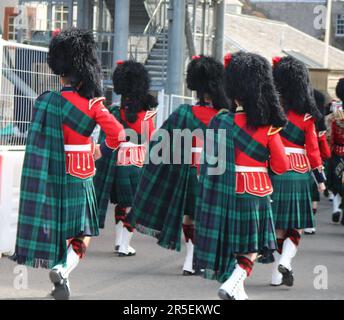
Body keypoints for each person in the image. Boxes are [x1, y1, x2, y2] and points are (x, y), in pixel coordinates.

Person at [14, 28, 125, 300]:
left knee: (61, 230)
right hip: (80, 171)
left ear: (60, 72)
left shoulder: (47, 101)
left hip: (52, 172)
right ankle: (63, 269)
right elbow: (118, 135)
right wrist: (100, 150)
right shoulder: (93, 105)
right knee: (82, 232)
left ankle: (60, 281)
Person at [195, 52, 288, 300]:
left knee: (232, 244)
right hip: (255, 191)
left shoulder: (220, 121)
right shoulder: (267, 126)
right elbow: (281, 165)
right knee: (252, 248)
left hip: (225, 191)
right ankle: (233, 282)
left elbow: (208, 163)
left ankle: (238, 291)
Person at [127, 55, 231, 276]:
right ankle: (206, 258)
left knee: (189, 217)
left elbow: (159, 142)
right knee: (210, 218)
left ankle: (190, 259)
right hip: (217, 174)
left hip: (189, 173)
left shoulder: (183, 113)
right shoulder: (225, 117)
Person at [270, 56, 326, 287]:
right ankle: (286, 261)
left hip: (275, 170)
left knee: (279, 227)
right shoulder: (306, 117)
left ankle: (276, 275)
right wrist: (321, 180)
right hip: (299, 172)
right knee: (297, 225)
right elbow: (313, 151)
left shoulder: (271, 112)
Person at [94, 60, 157, 256]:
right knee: (132, 206)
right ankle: (124, 244)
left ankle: (119, 241)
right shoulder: (146, 116)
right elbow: (150, 139)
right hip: (136, 163)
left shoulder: (114, 111)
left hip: (116, 162)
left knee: (122, 204)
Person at [304, 90, 331, 235]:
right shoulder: (314, 123)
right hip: (311, 162)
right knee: (313, 194)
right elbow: (321, 149)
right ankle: (310, 222)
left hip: (294, 162)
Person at [328, 78, 344, 224]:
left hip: (337, 151)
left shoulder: (334, 113)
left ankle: (336, 208)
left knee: (337, 182)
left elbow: (328, 135)